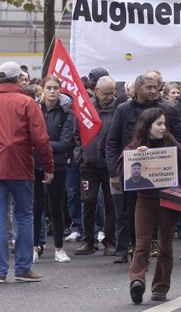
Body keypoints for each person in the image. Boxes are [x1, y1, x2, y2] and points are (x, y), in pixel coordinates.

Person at [117, 107, 181, 303]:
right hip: (144, 200)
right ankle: (137, 281)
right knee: (142, 243)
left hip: (167, 199)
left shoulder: (172, 144)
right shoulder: (135, 146)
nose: (163, 128)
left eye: (164, 124)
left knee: (165, 245)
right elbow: (122, 172)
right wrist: (136, 155)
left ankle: (161, 286)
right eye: (159, 124)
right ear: (147, 126)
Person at [106, 73, 181, 263]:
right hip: (134, 172)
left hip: (161, 173)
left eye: (155, 87)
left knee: (161, 210)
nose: (152, 91)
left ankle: (156, 246)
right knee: (130, 211)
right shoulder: (123, 110)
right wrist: (113, 172)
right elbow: (112, 142)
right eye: (148, 87)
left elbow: (179, 140)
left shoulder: (167, 110)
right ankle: (133, 247)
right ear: (137, 89)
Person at [0, 61, 54, 283]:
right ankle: (23, 268)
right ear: (17, 79)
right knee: (24, 215)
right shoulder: (26, 102)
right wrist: (48, 167)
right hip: (20, 165)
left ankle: (0, 271)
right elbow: (41, 139)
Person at [33, 76, 76, 264]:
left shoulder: (67, 112)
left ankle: (59, 248)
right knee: (35, 207)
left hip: (57, 165)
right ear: (42, 89)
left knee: (56, 207)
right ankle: (35, 247)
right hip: (34, 165)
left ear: (60, 90)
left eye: (55, 87)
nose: (52, 91)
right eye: (48, 87)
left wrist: (40, 144)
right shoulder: (34, 109)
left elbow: (65, 143)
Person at [75, 75, 117, 256]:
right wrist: (80, 153)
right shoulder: (86, 107)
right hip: (89, 164)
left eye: (112, 93)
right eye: (106, 94)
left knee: (111, 204)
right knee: (89, 201)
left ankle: (110, 241)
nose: (109, 97)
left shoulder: (119, 109)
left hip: (110, 165)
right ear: (97, 91)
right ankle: (88, 240)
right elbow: (77, 133)